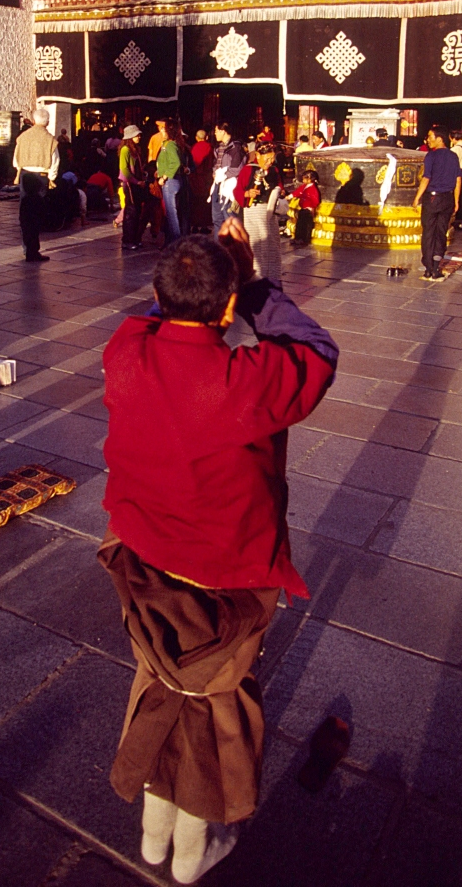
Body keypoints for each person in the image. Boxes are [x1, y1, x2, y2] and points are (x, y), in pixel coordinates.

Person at [99, 223, 338, 883]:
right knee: (210, 710)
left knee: (159, 683)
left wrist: (198, 281)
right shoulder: (248, 379)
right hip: (227, 568)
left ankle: (154, 836)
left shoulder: (126, 352)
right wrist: (251, 281)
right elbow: (318, 349)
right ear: (227, 306)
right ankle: (187, 854)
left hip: (143, 554)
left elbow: (161, 312)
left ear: (157, 291)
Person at [412, 125, 461, 281]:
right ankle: (436, 267)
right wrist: (456, 200)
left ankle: (427, 268)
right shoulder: (453, 157)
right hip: (447, 198)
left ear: (439, 139)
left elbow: (426, 178)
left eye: (430, 137)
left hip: (432, 198)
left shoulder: (431, 156)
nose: (428, 140)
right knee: (441, 232)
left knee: (428, 232)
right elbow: (458, 180)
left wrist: (417, 198)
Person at [13, 108, 59, 262]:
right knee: (37, 214)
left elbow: (15, 160)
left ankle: (28, 249)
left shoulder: (23, 137)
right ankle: (33, 250)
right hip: (41, 177)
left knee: (25, 214)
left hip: (25, 176)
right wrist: (51, 178)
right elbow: (55, 162)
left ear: (33, 120)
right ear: (47, 121)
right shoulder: (50, 140)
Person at [235, 142, 284, 286]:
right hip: (254, 212)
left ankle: (274, 279)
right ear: (257, 155)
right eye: (267, 159)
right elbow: (238, 191)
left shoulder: (274, 170)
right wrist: (247, 193)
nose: (270, 162)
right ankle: (257, 279)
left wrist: (281, 193)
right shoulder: (248, 170)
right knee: (258, 245)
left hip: (271, 212)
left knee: (273, 245)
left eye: (272, 158)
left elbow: (280, 186)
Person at [119, 124, 151, 250]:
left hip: (137, 183)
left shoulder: (135, 149)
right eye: (136, 135)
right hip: (130, 185)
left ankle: (135, 238)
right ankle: (127, 240)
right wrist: (136, 182)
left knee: (137, 212)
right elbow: (124, 169)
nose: (139, 137)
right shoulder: (125, 150)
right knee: (130, 213)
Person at [210, 122, 245, 231]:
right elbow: (216, 164)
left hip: (229, 186)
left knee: (229, 216)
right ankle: (218, 245)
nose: (215, 134)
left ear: (223, 131)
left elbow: (237, 169)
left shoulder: (236, 147)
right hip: (217, 184)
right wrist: (215, 172)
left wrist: (223, 175)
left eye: (216, 131)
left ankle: (233, 245)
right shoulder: (217, 147)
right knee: (216, 218)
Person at [156, 120, 184, 244]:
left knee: (171, 213)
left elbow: (176, 162)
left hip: (170, 182)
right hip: (171, 181)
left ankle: (176, 241)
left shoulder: (170, 145)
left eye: (164, 128)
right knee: (170, 212)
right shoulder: (168, 144)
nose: (161, 130)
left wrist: (165, 176)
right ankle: (171, 240)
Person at [189, 129, 214, 232]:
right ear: (206, 137)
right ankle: (204, 226)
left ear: (196, 137)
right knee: (204, 202)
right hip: (205, 178)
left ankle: (194, 225)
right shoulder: (209, 147)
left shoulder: (194, 148)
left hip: (194, 178)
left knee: (195, 201)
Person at [292, 166, 320, 246]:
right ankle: (298, 238)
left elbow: (315, 201)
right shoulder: (304, 187)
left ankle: (304, 240)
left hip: (308, 210)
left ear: (310, 179)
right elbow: (298, 192)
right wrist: (291, 195)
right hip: (303, 208)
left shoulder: (313, 189)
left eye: (304, 178)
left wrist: (311, 207)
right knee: (299, 224)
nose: (303, 180)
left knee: (306, 226)